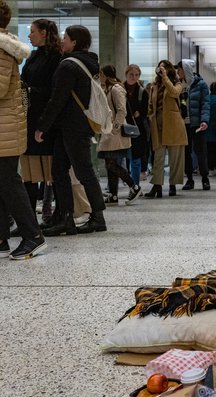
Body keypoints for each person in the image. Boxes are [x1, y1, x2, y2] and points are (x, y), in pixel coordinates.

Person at [37, 25, 107, 236]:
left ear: (74, 42)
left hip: (71, 126)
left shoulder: (68, 66)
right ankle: (65, 217)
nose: (62, 40)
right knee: (60, 170)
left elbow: (58, 99)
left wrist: (42, 126)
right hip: (76, 126)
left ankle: (97, 217)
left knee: (83, 171)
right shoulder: (89, 63)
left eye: (65, 37)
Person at [0, 1, 47, 259]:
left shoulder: (1, 48)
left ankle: (33, 236)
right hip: (5, 125)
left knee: (9, 181)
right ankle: (1, 237)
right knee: (3, 181)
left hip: (5, 127)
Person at [20, 19, 60, 223]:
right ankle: (29, 221)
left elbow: (54, 92)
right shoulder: (33, 56)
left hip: (46, 122)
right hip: (29, 119)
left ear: (44, 32)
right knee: (29, 174)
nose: (29, 35)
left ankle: (53, 214)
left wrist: (30, 90)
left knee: (51, 172)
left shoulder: (56, 57)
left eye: (32, 31)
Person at [97, 65, 142, 205]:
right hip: (109, 132)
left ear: (106, 75)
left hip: (115, 133)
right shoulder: (108, 89)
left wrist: (114, 128)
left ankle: (134, 187)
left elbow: (122, 111)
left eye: (101, 74)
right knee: (110, 163)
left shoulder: (116, 89)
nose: (100, 77)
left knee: (112, 164)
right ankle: (113, 194)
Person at [144, 59, 188, 198]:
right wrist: (150, 115)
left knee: (175, 157)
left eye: (164, 67)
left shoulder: (177, 83)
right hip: (158, 125)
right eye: (159, 67)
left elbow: (175, 93)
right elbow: (151, 104)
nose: (161, 69)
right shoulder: (154, 85)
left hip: (174, 124)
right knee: (158, 157)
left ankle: (173, 185)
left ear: (169, 69)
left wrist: (165, 78)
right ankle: (157, 186)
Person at [177, 59, 210, 191]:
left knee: (200, 152)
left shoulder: (201, 85)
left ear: (186, 70)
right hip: (184, 124)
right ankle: (189, 179)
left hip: (197, 124)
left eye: (179, 70)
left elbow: (205, 104)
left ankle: (205, 178)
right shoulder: (179, 86)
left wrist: (204, 120)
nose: (178, 72)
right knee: (186, 152)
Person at [123, 64, 150, 185]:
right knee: (122, 159)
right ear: (126, 75)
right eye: (131, 75)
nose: (134, 77)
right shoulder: (120, 89)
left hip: (137, 130)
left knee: (135, 159)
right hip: (123, 127)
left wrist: (139, 113)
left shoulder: (142, 92)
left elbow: (145, 111)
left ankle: (135, 186)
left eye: (136, 75)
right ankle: (128, 183)